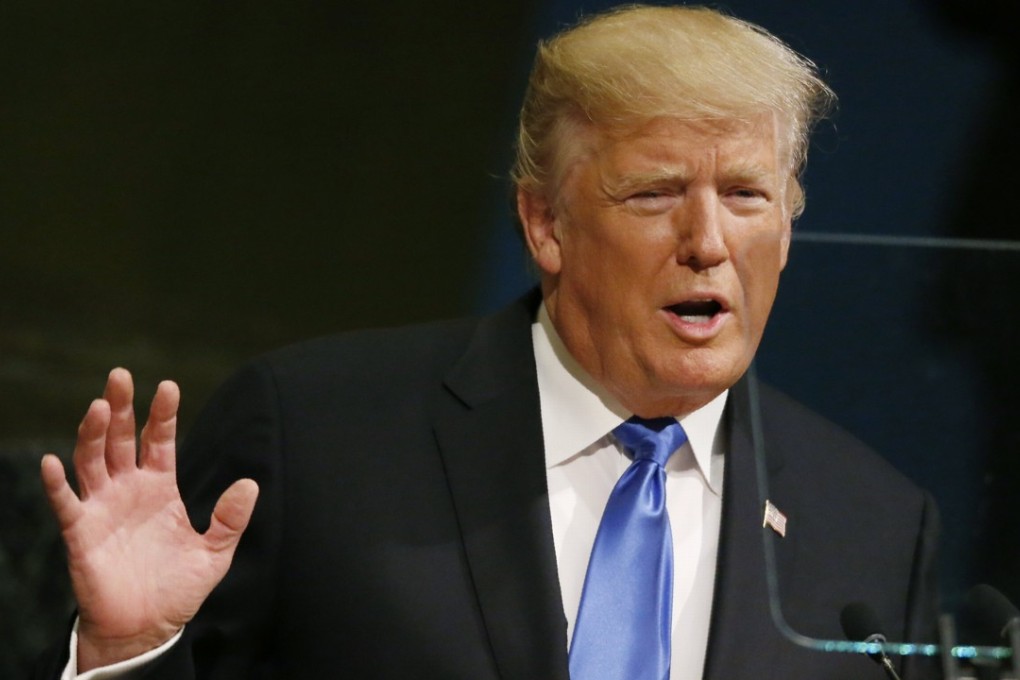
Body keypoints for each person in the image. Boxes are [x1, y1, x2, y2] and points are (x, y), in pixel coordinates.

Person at [35, 5, 939, 679]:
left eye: (747, 196)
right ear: (546, 224)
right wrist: (129, 649)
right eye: (656, 194)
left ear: (787, 229)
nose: (707, 242)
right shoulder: (316, 437)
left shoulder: (872, 530)